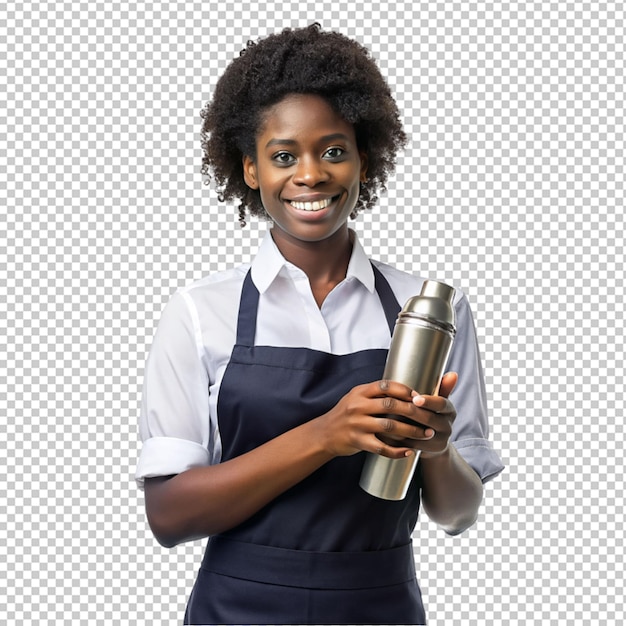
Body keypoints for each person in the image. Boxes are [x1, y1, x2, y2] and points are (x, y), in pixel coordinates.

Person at [135, 24, 504, 625]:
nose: (311, 174)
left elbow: (458, 515)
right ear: (251, 170)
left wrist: (437, 449)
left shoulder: (431, 307)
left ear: (364, 158)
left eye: (334, 150)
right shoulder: (201, 312)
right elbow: (169, 518)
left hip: (380, 605)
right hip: (238, 608)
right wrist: (325, 435)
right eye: (284, 156)